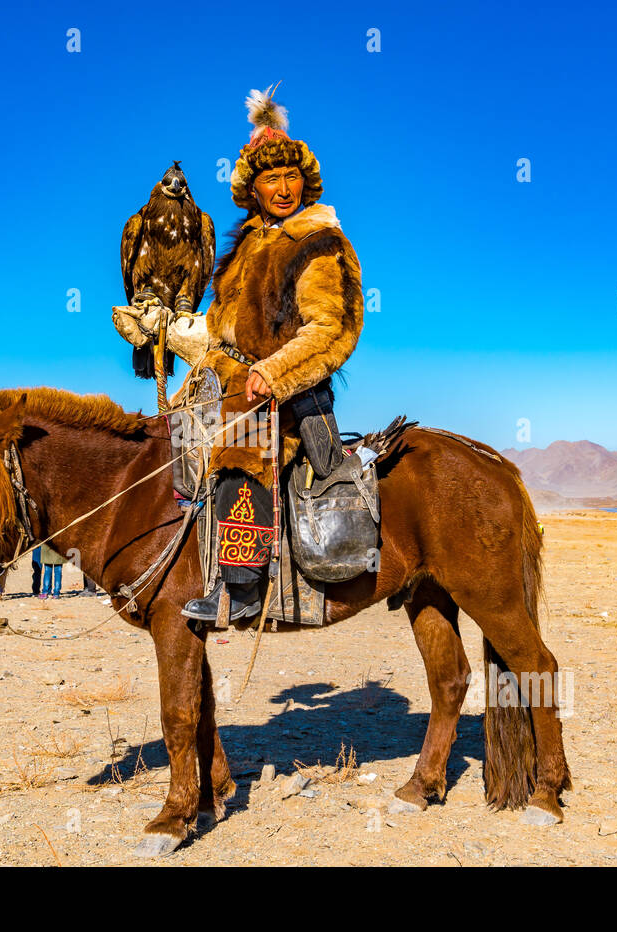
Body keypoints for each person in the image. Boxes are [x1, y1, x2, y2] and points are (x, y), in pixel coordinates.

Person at [180, 86, 364, 623]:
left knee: (240, 453)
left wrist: (272, 372)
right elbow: (223, 333)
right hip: (235, 389)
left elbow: (332, 326)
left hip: (288, 398)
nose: (283, 188)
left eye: (291, 177)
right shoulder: (242, 254)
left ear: (305, 181)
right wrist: (170, 333)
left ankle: (241, 590)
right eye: (270, 179)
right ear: (252, 189)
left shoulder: (317, 239)